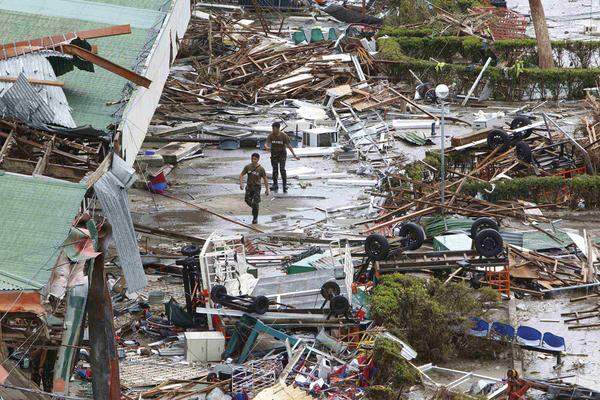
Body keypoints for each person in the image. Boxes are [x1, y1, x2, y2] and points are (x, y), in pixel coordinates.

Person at [265, 122, 299, 193]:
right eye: (272, 128)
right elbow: (266, 143)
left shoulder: (284, 136)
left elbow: (289, 146)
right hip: (274, 154)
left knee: (282, 169)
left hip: (282, 154)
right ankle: (275, 185)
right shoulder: (271, 135)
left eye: (274, 129)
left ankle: (284, 185)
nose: (273, 130)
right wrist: (266, 147)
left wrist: (294, 155)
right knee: (275, 170)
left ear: (278, 128)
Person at [239, 153, 269, 224]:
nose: (253, 160)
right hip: (249, 186)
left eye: (255, 159)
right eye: (252, 159)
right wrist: (241, 184)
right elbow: (241, 175)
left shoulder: (261, 169)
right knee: (247, 200)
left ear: (258, 159)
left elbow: (265, 178)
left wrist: (267, 189)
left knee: (256, 203)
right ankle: (254, 208)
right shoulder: (247, 167)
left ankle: (255, 218)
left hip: (257, 187)